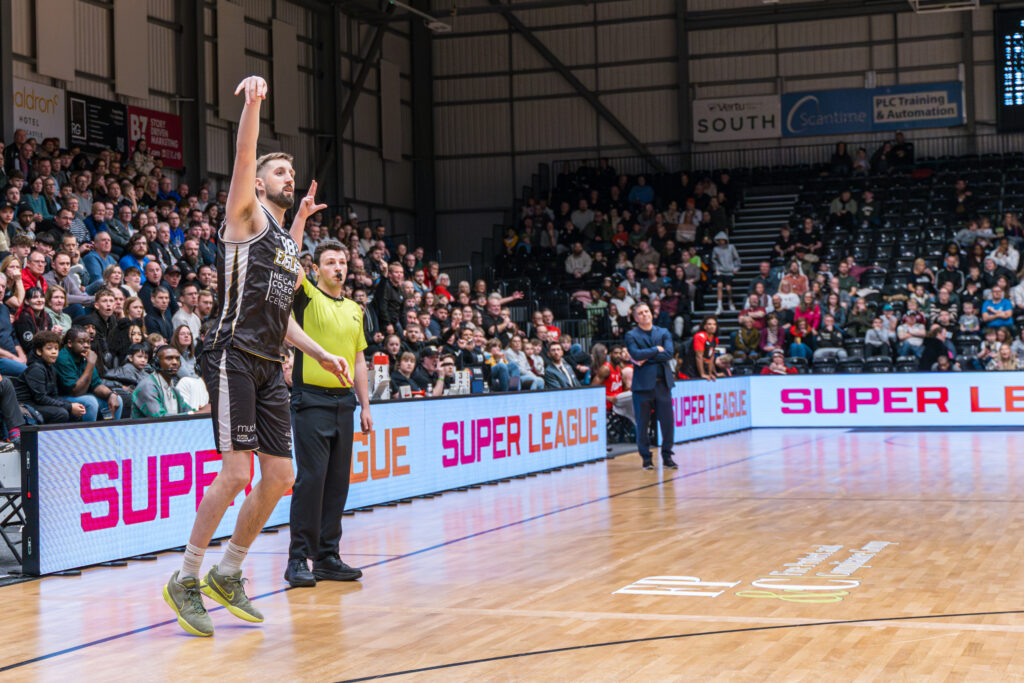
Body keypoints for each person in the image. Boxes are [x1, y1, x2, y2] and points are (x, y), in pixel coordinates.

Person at [165, 76, 351, 638]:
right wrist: (251, 104)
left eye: (291, 172)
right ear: (259, 182)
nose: (288, 177)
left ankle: (229, 571)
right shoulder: (244, 216)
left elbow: (281, 315)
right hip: (233, 356)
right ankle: (187, 577)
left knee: (281, 477)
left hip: (271, 362)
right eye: (280, 171)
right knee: (237, 471)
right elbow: (244, 155)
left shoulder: (286, 244)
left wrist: (322, 352)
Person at [283, 216, 372, 588]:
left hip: (344, 404)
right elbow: (286, 262)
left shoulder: (355, 309)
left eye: (343, 263)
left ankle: (327, 557)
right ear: (316, 268)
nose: (339, 268)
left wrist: (365, 405)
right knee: (311, 480)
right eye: (331, 262)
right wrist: (301, 218)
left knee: (337, 483)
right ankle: (297, 560)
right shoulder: (306, 297)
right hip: (310, 401)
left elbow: (358, 359)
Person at [625, 302, 677, 471]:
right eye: (640, 313)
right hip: (642, 387)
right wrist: (656, 349)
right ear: (635, 317)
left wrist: (646, 359)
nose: (645, 314)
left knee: (668, 423)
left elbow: (669, 353)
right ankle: (646, 458)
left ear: (651, 313)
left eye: (647, 311)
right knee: (642, 424)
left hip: (663, 385)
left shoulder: (663, 332)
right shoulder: (631, 335)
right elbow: (635, 354)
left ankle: (667, 456)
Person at [14, 330, 86, 424]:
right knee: (61, 413)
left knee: (74, 413)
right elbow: (40, 398)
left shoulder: (51, 368)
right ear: (39, 351)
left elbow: (53, 395)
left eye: (56, 348)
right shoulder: (36, 369)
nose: (54, 352)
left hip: (38, 403)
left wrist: (71, 405)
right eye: (49, 349)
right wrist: (69, 407)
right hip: (26, 406)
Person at [54, 326, 123, 421]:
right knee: (90, 402)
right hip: (62, 399)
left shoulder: (85, 355)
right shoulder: (63, 357)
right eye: (81, 342)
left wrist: (111, 394)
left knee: (117, 399)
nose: (86, 345)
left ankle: (112, 433)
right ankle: (89, 434)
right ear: (70, 343)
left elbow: (96, 385)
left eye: (88, 342)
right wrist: (90, 364)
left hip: (81, 396)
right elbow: (76, 392)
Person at [131, 345, 193, 417]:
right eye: (169, 358)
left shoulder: (173, 389)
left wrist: (201, 411)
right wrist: (192, 414)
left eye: (177, 358)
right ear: (157, 363)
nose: (175, 362)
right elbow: (159, 418)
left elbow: (187, 410)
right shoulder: (147, 386)